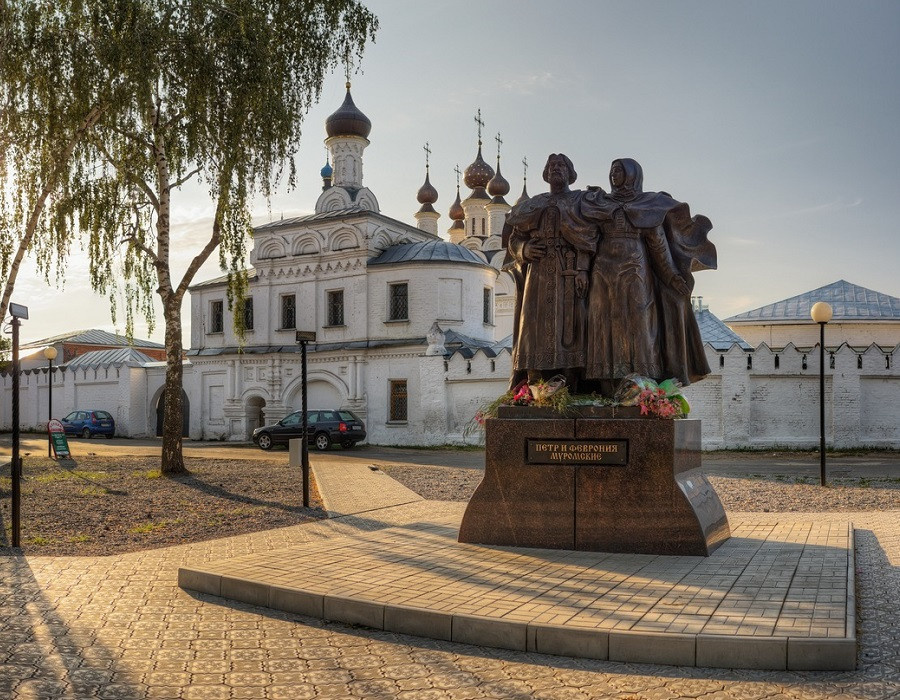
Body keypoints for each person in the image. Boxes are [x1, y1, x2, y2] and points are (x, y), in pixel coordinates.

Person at [581, 158, 715, 393]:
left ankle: (641, 384)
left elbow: (658, 246)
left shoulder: (648, 205)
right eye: (612, 170)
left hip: (635, 269)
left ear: (632, 174)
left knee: (639, 321)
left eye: (619, 170)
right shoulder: (600, 203)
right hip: (603, 273)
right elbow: (585, 239)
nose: (614, 174)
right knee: (602, 322)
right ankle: (606, 385)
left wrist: (673, 277)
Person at [504, 154, 597, 390]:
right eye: (551, 166)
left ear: (570, 172)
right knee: (534, 326)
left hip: (568, 271)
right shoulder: (534, 203)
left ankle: (572, 387)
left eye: (561, 165)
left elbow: (587, 237)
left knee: (572, 325)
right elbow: (515, 238)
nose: (556, 169)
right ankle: (535, 386)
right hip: (538, 274)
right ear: (546, 173)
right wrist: (524, 249)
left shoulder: (578, 200)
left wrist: (583, 269)